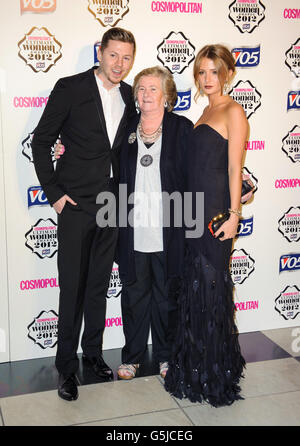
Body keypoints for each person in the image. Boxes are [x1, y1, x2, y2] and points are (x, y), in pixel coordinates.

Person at [32, 27, 137, 401]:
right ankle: (65, 368)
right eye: (113, 55)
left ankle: (92, 355)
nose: (119, 64)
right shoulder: (70, 87)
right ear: (100, 52)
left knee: (97, 286)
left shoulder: (130, 95)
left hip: (111, 203)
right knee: (72, 288)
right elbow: (42, 140)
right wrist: (55, 194)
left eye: (126, 57)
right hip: (75, 204)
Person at [164, 44, 248, 407]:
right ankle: (197, 366)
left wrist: (234, 215)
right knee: (195, 291)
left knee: (211, 292)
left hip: (215, 215)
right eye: (201, 72)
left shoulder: (233, 110)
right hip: (192, 213)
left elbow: (234, 169)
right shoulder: (203, 112)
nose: (207, 78)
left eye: (214, 71)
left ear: (227, 73)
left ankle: (214, 374)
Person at [117, 66, 193, 380]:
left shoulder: (181, 127)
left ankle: (166, 356)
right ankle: (132, 357)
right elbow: (102, 162)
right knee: (134, 295)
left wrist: (235, 183)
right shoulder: (125, 128)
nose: (147, 95)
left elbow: (199, 171)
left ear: (166, 96)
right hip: (133, 228)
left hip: (170, 229)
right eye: (142, 89)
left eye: (153, 89)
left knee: (166, 296)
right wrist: (64, 152)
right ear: (135, 96)